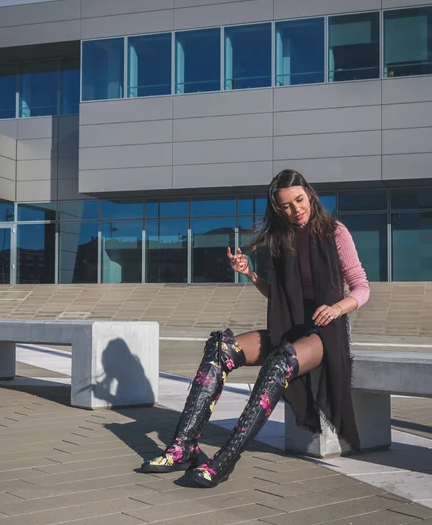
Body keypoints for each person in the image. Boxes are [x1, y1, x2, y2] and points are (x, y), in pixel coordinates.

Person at [140, 169, 370, 487]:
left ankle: (225, 459)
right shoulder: (282, 239)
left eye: (300, 200)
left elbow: (361, 288)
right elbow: (279, 296)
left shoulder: (334, 232)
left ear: (310, 195)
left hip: (324, 333)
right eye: (286, 206)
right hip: (290, 326)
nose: (295, 210)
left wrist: (335, 309)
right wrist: (249, 273)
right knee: (221, 347)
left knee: (279, 363)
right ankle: (183, 447)